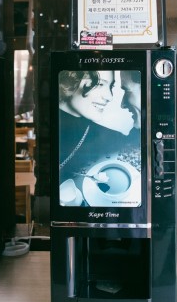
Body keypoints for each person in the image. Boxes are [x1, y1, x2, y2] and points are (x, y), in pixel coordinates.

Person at [58, 70, 139, 207]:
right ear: (69, 82)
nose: (109, 96)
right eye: (100, 84)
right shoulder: (44, 126)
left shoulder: (114, 140)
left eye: (111, 87)